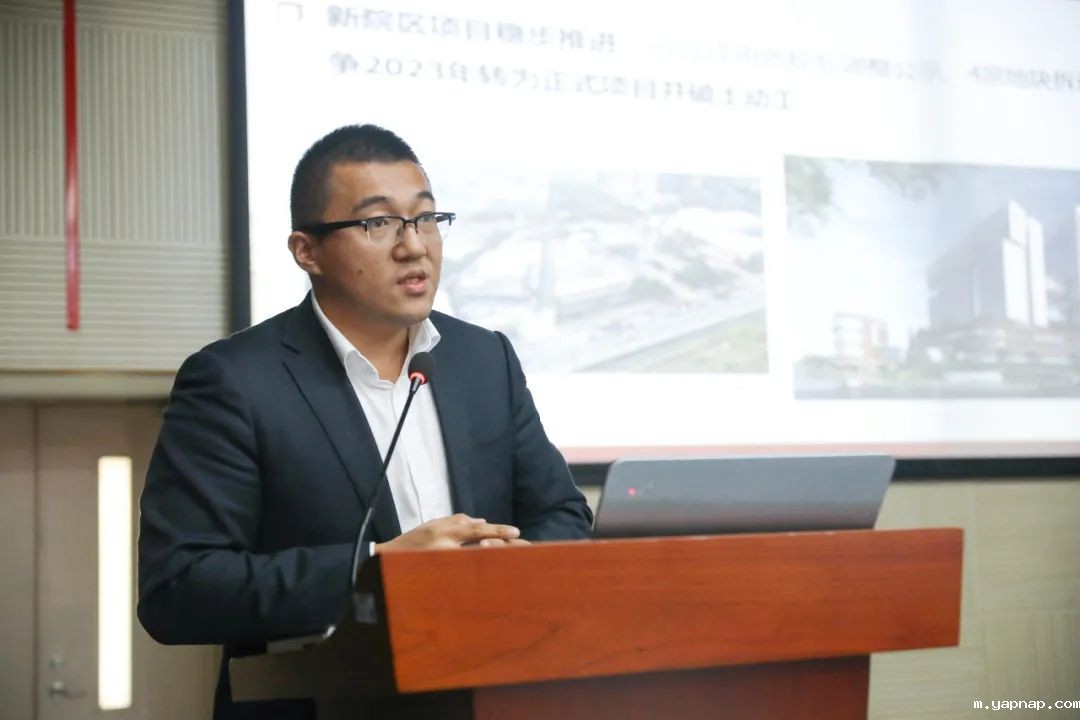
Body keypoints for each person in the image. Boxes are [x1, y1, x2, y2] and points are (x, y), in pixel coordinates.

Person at [137, 124, 593, 718]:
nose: (414, 246)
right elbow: (179, 588)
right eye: (378, 224)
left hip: (489, 694)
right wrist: (381, 572)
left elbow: (562, 515)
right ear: (307, 251)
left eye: (426, 218)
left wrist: (512, 564)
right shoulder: (234, 381)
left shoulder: (484, 359)